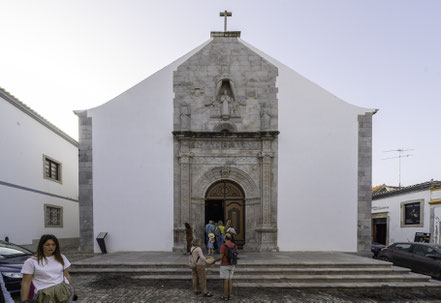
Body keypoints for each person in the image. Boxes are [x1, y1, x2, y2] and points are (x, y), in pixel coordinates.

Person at [20, 234, 77, 303]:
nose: (51, 247)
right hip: (44, 295)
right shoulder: (31, 261)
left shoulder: (61, 257)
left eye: (53, 244)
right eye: (47, 245)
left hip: (63, 292)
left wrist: (73, 289)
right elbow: (26, 283)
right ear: (42, 246)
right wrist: (24, 301)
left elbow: (66, 275)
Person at [213, 233, 236, 301]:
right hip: (232, 264)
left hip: (224, 264)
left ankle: (225, 296)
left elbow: (220, 257)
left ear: (225, 238)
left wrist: (213, 261)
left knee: (225, 280)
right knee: (230, 280)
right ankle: (230, 296)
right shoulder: (234, 245)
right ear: (231, 238)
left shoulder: (223, 246)